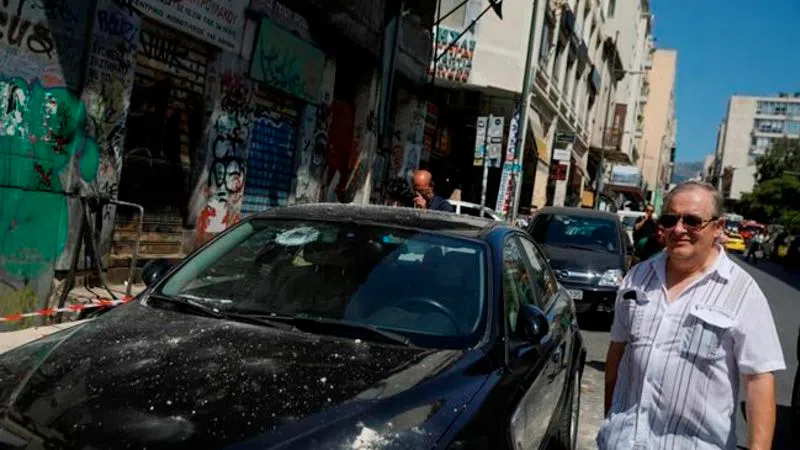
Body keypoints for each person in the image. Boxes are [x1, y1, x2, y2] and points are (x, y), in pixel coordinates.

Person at [597, 181, 785, 450]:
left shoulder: (743, 293)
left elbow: (759, 380)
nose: (679, 229)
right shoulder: (637, 278)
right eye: (670, 220)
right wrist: (610, 420)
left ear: (718, 227)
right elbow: (618, 351)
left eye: (692, 221)